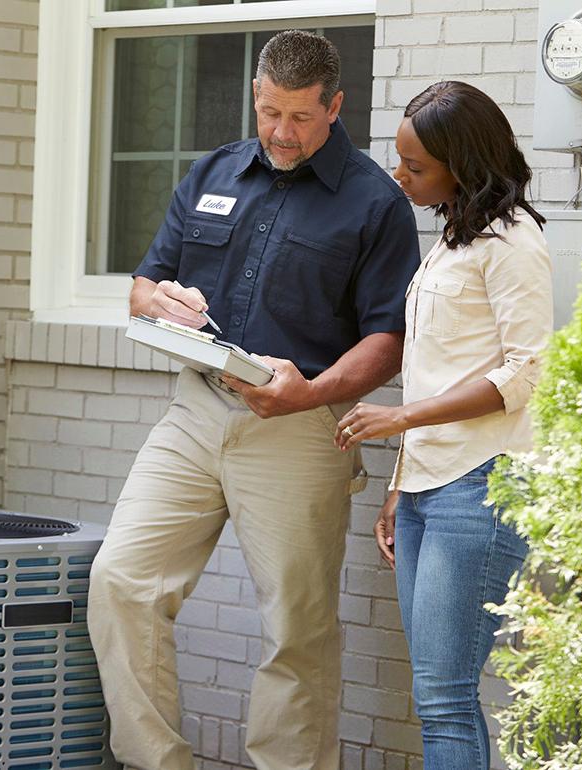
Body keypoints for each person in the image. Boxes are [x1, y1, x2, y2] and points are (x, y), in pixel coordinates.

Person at [87, 30, 420, 770]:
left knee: (296, 631)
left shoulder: (374, 204)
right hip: (195, 412)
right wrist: (158, 301)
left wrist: (311, 394)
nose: (281, 132)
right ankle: (157, 762)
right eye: (269, 112)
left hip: (299, 429)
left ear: (335, 106)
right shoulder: (214, 170)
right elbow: (145, 283)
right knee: (120, 582)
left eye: (300, 117)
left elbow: (387, 340)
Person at [334, 80, 553, 770]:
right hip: (430, 490)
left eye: (416, 167)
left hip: (480, 490)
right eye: (399, 161)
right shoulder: (454, 240)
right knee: (435, 692)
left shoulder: (513, 242)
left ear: (465, 164)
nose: (399, 177)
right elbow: (435, 367)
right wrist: (402, 482)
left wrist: (399, 416)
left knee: (445, 695)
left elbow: (524, 375)